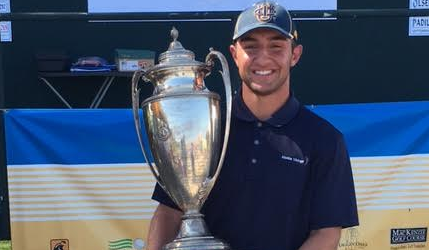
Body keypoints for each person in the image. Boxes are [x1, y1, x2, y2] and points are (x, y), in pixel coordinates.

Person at [147, 1, 359, 250]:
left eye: (276, 47)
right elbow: (169, 212)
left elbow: (326, 233)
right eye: (251, 47)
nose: (263, 58)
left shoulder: (325, 140)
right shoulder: (202, 127)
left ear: (295, 54)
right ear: (234, 54)